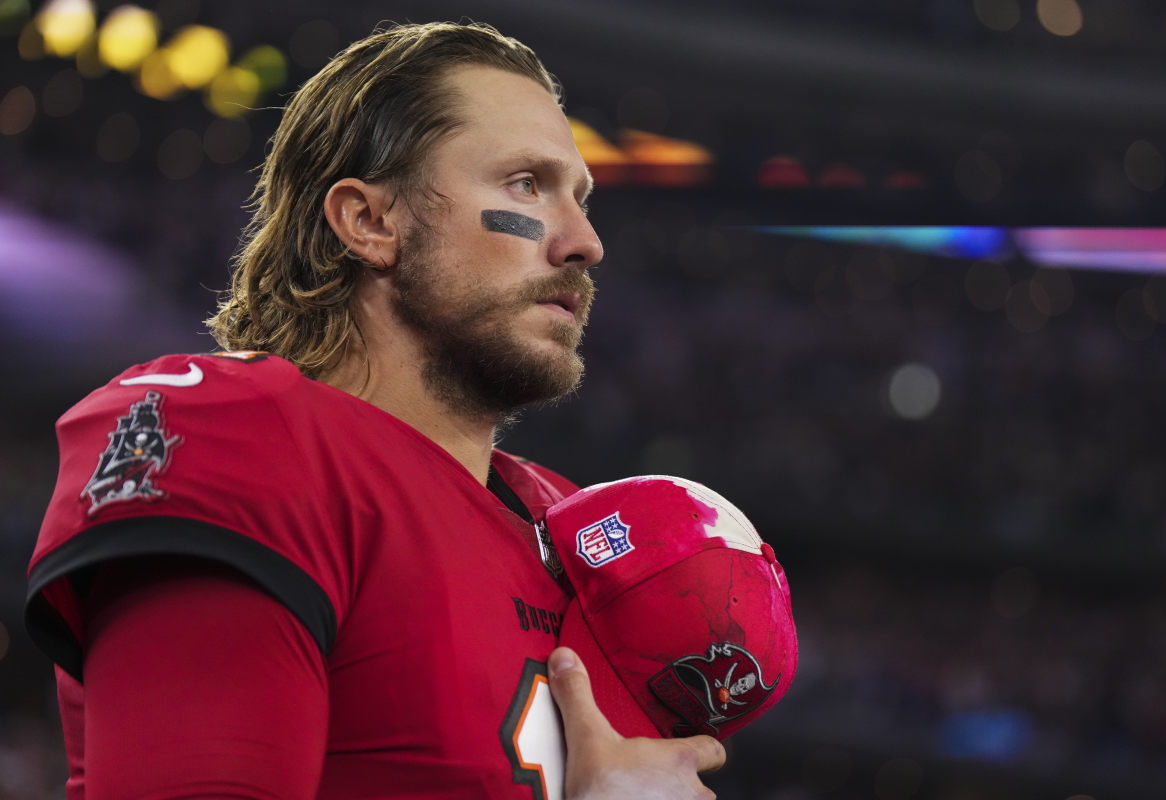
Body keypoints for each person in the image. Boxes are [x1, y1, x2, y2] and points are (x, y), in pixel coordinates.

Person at [24, 20, 727, 800]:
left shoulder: (572, 527)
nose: (585, 241)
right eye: (526, 184)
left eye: (582, 198)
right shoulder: (252, 437)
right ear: (370, 222)